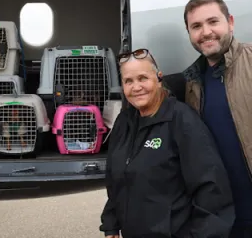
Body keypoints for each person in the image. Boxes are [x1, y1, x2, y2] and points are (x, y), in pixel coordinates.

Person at [99, 48, 235, 238]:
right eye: (128, 81)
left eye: (143, 78)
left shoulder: (182, 120)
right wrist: (111, 224)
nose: (136, 87)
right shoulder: (124, 121)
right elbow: (115, 180)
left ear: (159, 78)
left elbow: (211, 189)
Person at [183, 0, 252, 237]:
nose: (206, 32)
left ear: (230, 22)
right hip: (223, 221)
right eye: (197, 26)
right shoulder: (192, 83)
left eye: (213, 22)